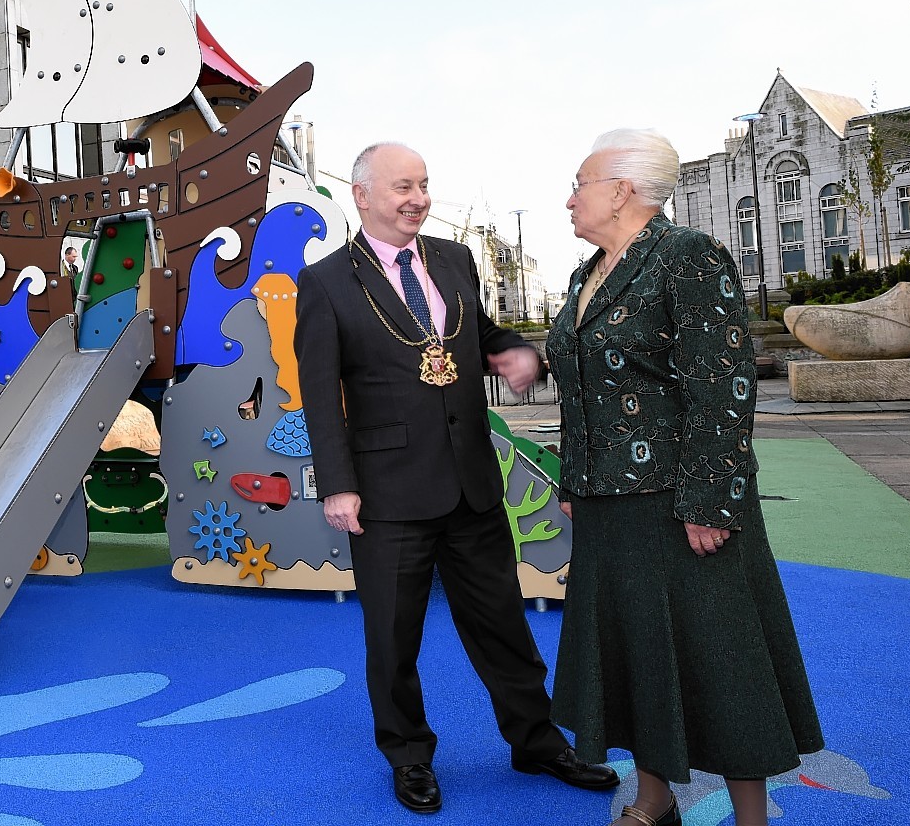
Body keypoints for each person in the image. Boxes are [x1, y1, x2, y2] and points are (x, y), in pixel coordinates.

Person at [295, 142, 617, 814]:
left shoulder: (453, 258)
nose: (416, 198)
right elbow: (319, 394)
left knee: (502, 623)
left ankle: (536, 742)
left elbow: (478, 334)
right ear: (361, 194)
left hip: (471, 481)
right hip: (384, 494)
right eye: (400, 187)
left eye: (422, 184)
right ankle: (408, 755)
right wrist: (338, 484)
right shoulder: (324, 282)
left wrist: (510, 352)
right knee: (392, 637)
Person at [547, 129, 823, 826]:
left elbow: (721, 385)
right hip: (608, 504)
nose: (568, 197)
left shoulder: (687, 256)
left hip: (681, 505)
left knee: (721, 663)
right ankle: (651, 800)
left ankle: (750, 820)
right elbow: (583, 389)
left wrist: (709, 500)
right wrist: (573, 483)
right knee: (636, 657)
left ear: (620, 190)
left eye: (579, 182)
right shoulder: (587, 273)